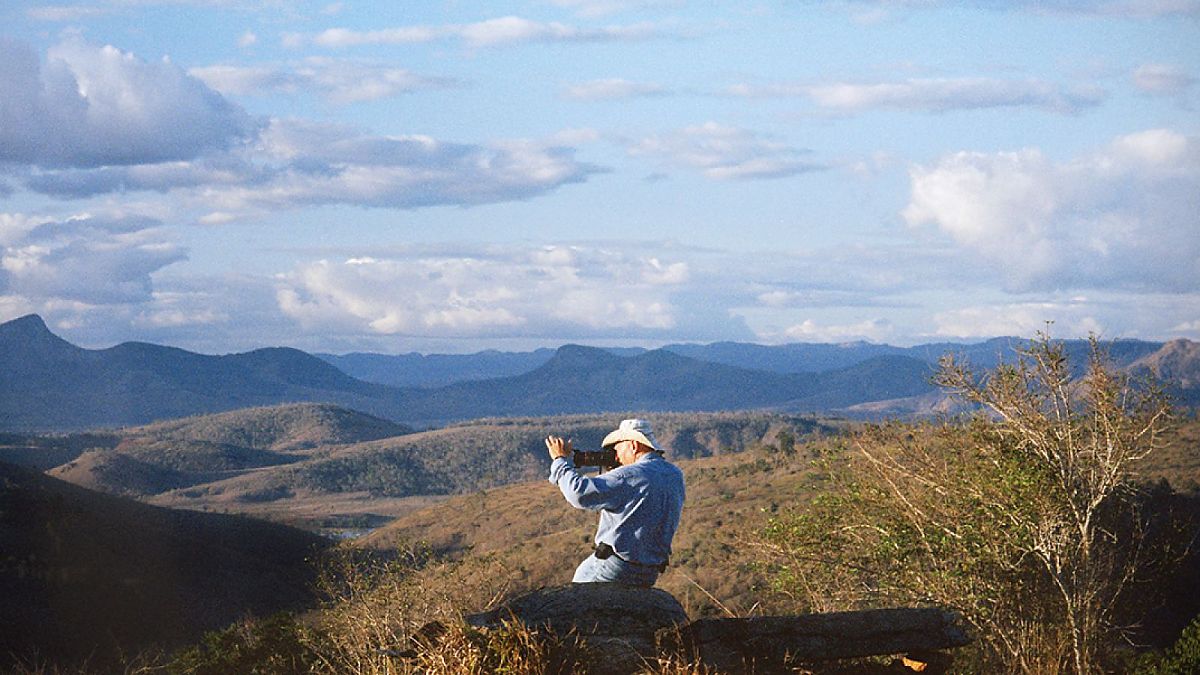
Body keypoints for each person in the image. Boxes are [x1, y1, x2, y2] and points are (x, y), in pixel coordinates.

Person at [545, 418, 685, 587]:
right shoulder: (674, 474)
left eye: (617, 447)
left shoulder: (630, 475)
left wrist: (560, 461)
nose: (615, 455)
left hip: (615, 567)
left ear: (633, 445)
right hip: (649, 572)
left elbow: (579, 493)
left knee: (574, 602)